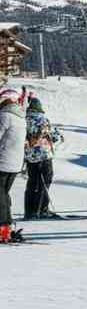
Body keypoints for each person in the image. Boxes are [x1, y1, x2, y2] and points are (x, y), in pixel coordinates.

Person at [24, 97, 62, 219]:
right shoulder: (43, 120)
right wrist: (57, 135)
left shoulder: (24, 120)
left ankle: (29, 211)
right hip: (44, 155)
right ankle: (41, 210)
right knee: (45, 182)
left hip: (30, 157)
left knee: (32, 183)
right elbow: (54, 137)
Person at [0, 88, 26, 243]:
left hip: (3, 160)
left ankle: (3, 228)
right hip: (14, 162)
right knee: (4, 194)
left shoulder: (5, 116)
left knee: (0, 195)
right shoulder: (20, 116)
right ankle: (7, 225)